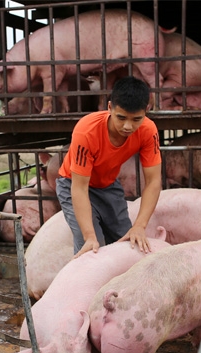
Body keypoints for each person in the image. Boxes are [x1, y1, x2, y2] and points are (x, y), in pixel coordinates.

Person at [56, 76, 162, 258]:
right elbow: (80, 188)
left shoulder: (148, 131)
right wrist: (89, 236)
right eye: (121, 118)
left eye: (136, 119)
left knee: (128, 242)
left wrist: (140, 226)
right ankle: (84, 284)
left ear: (147, 110)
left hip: (108, 185)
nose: (128, 126)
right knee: (91, 249)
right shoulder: (86, 130)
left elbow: (153, 181)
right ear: (110, 107)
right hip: (73, 184)